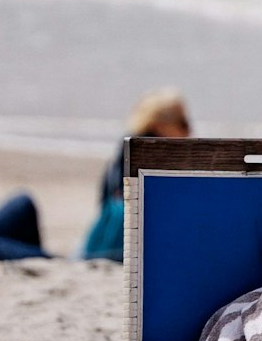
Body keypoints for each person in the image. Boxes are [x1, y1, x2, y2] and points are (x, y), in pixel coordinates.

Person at [80, 88, 191, 262]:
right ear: (159, 123)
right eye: (183, 123)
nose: (189, 129)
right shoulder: (153, 154)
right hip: (128, 238)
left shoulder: (127, 147)